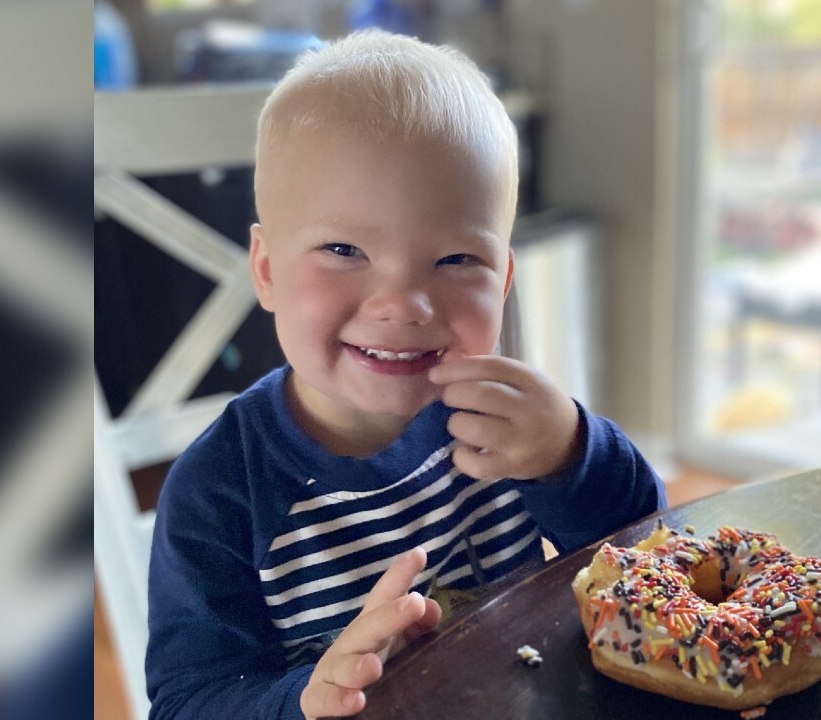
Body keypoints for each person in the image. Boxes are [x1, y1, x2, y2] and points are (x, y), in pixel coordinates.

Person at [144, 30, 666, 720]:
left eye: (455, 260)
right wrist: (303, 700)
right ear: (267, 270)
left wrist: (572, 454)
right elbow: (187, 702)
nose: (402, 305)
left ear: (502, 279)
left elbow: (643, 557)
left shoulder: (508, 425)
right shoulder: (219, 493)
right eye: (343, 249)